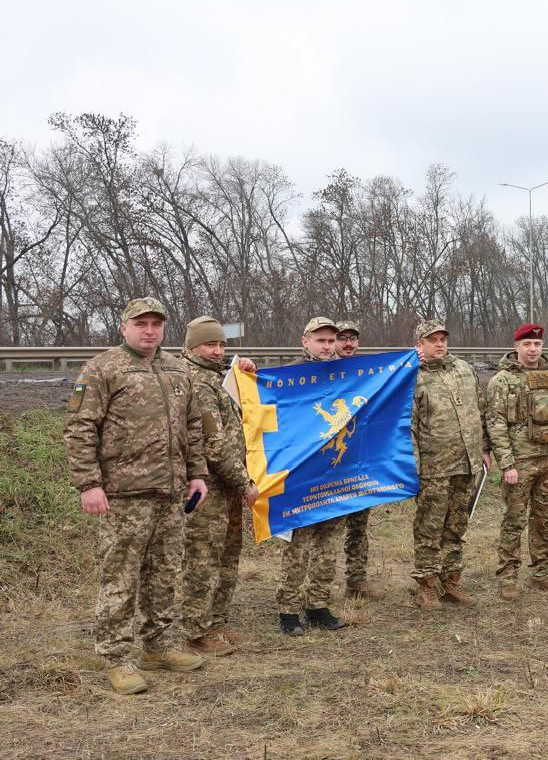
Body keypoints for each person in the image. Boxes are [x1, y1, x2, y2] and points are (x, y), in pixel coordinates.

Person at [64, 297, 210, 695]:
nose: (149, 330)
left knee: (164, 573)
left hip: (170, 491)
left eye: (156, 324)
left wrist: (197, 474)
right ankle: (115, 657)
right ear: (124, 326)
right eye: (141, 323)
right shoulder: (103, 368)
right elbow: (80, 428)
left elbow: (192, 426)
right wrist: (88, 483)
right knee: (121, 576)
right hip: (124, 494)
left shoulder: (177, 369)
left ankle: (159, 645)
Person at [177, 316, 261, 656]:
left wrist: (242, 369)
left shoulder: (217, 376)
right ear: (192, 346)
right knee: (203, 558)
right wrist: (245, 483)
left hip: (228, 486)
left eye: (222, 344)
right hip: (207, 486)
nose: (217, 350)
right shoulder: (196, 381)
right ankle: (194, 632)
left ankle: (217, 622)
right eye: (210, 344)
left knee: (228, 553)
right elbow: (215, 443)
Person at [485, 323, 548, 601]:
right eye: (527, 344)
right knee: (514, 520)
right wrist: (507, 464)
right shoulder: (502, 380)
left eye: (537, 344)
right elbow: (496, 423)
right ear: (516, 347)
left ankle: (540, 574)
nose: (533, 349)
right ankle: (508, 577)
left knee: (542, 519)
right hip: (520, 462)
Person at [410, 319, 491, 609]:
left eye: (443, 338)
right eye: (432, 340)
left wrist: (484, 448)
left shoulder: (464, 370)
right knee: (429, 529)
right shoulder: (413, 376)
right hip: (434, 468)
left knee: (457, 527)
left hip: (466, 464)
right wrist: (414, 468)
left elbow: (481, 411)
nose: (440, 343)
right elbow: (409, 428)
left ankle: (451, 582)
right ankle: (426, 586)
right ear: (419, 345)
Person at [276, 317, 347, 635]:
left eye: (331, 341)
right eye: (321, 340)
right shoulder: (289, 377)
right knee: (298, 545)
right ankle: (288, 609)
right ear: (305, 341)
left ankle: (318, 603)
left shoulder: (347, 375)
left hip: (336, 471)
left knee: (329, 544)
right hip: (301, 474)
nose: (327, 346)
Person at [333, 319, 374, 599]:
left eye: (352, 338)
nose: (348, 343)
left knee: (358, 525)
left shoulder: (368, 372)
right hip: (329, 462)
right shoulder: (318, 369)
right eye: (342, 338)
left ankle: (356, 580)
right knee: (323, 526)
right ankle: (316, 585)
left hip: (360, 458)